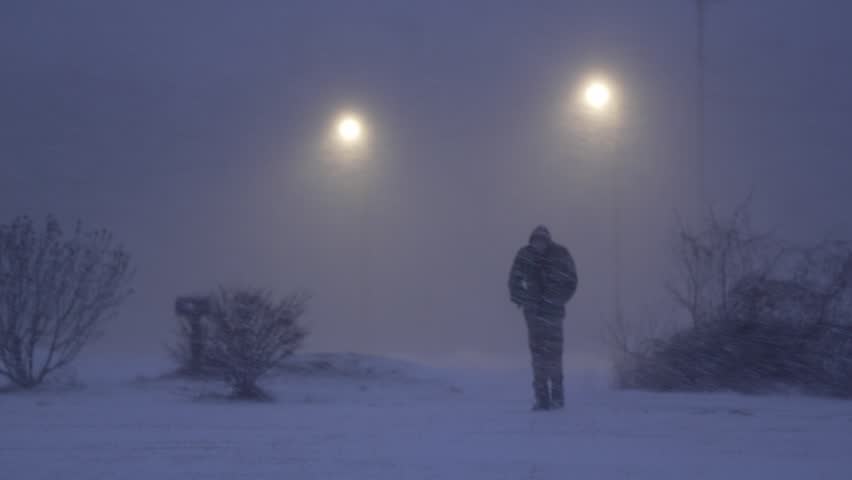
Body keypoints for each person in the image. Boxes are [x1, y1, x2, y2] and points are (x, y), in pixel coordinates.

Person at [508, 225, 578, 411]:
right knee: (538, 356)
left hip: (553, 313)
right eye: (536, 241)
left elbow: (571, 281)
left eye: (542, 240)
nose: (539, 244)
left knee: (554, 356)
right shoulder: (525, 255)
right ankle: (542, 399)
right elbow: (513, 280)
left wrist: (557, 300)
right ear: (531, 240)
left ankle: (557, 397)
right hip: (534, 315)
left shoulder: (561, 253)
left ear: (548, 240)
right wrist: (524, 300)